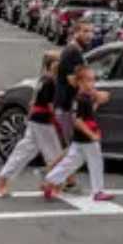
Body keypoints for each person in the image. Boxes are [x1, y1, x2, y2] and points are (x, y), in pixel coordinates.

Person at [0, 52, 63, 196]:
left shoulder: (43, 80)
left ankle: (2, 180)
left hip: (36, 119)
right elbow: (49, 106)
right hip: (43, 120)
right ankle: (50, 184)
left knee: (23, 151)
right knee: (54, 153)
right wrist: (57, 121)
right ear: (53, 65)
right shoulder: (50, 82)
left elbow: (33, 101)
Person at [42, 65, 113, 202]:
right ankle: (98, 192)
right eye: (88, 80)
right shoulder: (81, 100)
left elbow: (87, 115)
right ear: (80, 82)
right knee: (96, 162)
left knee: (70, 163)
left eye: (93, 80)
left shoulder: (82, 98)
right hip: (87, 139)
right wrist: (92, 135)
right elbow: (78, 121)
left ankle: (49, 182)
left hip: (79, 140)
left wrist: (97, 102)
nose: (92, 84)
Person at [53, 22, 92, 191]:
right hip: (65, 106)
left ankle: (68, 181)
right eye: (85, 31)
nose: (89, 35)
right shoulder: (72, 51)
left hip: (66, 105)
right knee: (72, 146)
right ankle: (50, 174)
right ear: (75, 32)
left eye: (91, 32)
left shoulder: (75, 51)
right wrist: (90, 90)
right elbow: (71, 79)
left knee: (72, 146)